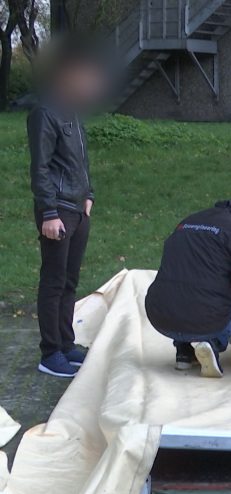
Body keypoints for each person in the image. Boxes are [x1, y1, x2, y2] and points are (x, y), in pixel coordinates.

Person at [28, 39, 108, 377]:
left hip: (78, 209)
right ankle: (50, 354)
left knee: (70, 282)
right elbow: (41, 167)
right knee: (54, 282)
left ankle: (65, 344)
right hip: (57, 211)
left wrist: (88, 195)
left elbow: (80, 162)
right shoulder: (44, 113)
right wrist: (48, 213)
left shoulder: (72, 112)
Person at [145, 195, 231, 378]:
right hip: (204, 319)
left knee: (182, 290)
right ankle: (213, 344)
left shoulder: (188, 223)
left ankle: (183, 352)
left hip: (160, 314)